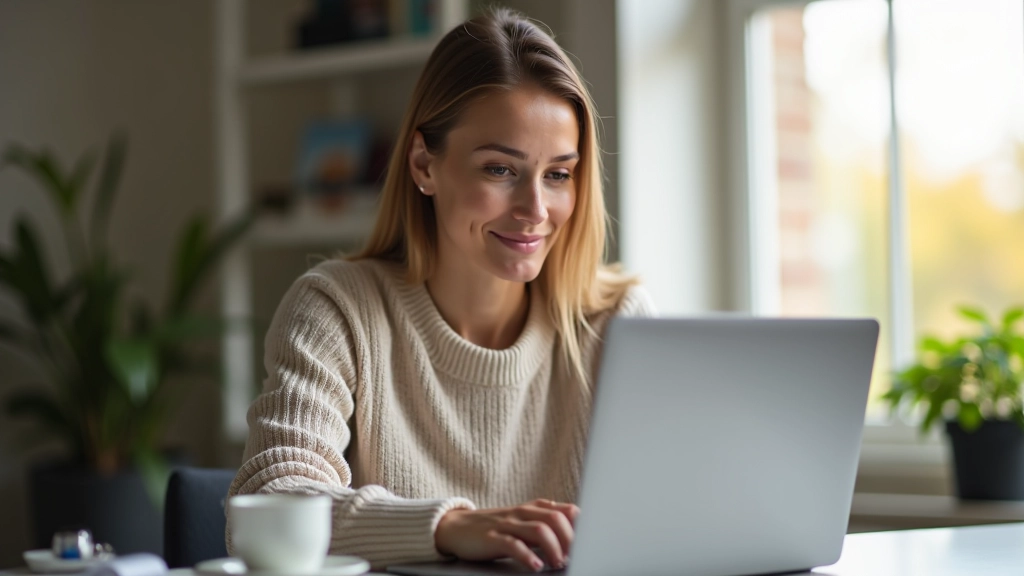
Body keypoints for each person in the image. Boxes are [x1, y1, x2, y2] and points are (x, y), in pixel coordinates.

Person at [227, 7, 655, 573]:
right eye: (500, 170)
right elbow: (273, 503)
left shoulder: (618, 323)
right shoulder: (338, 310)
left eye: (558, 174)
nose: (535, 210)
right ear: (425, 164)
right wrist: (448, 527)